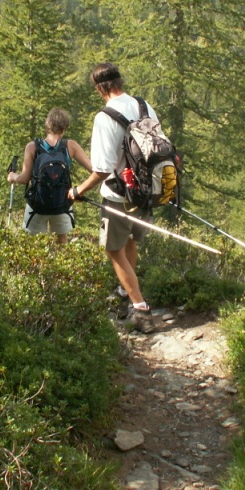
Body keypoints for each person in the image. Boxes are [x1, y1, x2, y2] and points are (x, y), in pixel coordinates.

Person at [68, 63, 158, 333]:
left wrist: (78, 191)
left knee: (113, 250)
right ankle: (125, 293)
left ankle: (141, 310)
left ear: (100, 89)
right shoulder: (144, 106)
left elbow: (103, 169)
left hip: (118, 195)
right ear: (120, 82)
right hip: (146, 190)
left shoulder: (105, 117)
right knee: (129, 241)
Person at [8, 108, 91, 245]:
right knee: (61, 244)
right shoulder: (70, 146)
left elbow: (24, 178)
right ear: (64, 128)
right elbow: (94, 169)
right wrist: (79, 190)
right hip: (62, 204)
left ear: (47, 126)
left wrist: (12, 176)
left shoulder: (32, 147)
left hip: (37, 205)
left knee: (33, 245)